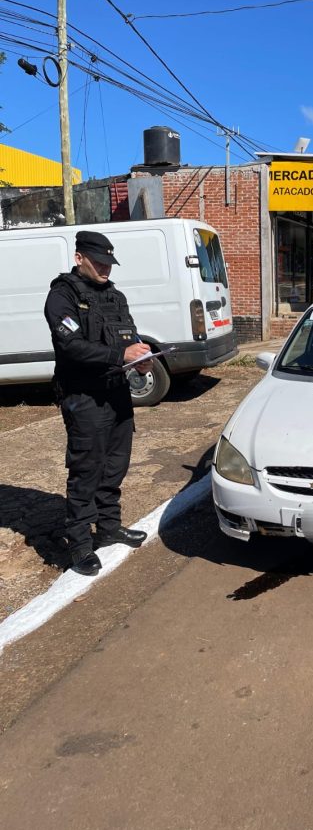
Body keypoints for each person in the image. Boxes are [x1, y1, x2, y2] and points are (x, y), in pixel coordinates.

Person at [44, 231, 153, 576]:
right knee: (86, 470)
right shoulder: (62, 296)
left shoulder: (115, 296)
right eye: (99, 262)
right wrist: (120, 354)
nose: (106, 268)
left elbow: (130, 336)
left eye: (109, 262)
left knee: (115, 466)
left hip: (117, 392)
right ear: (79, 259)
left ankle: (109, 529)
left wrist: (141, 359)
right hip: (84, 396)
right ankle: (78, 544)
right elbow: (71, 346)